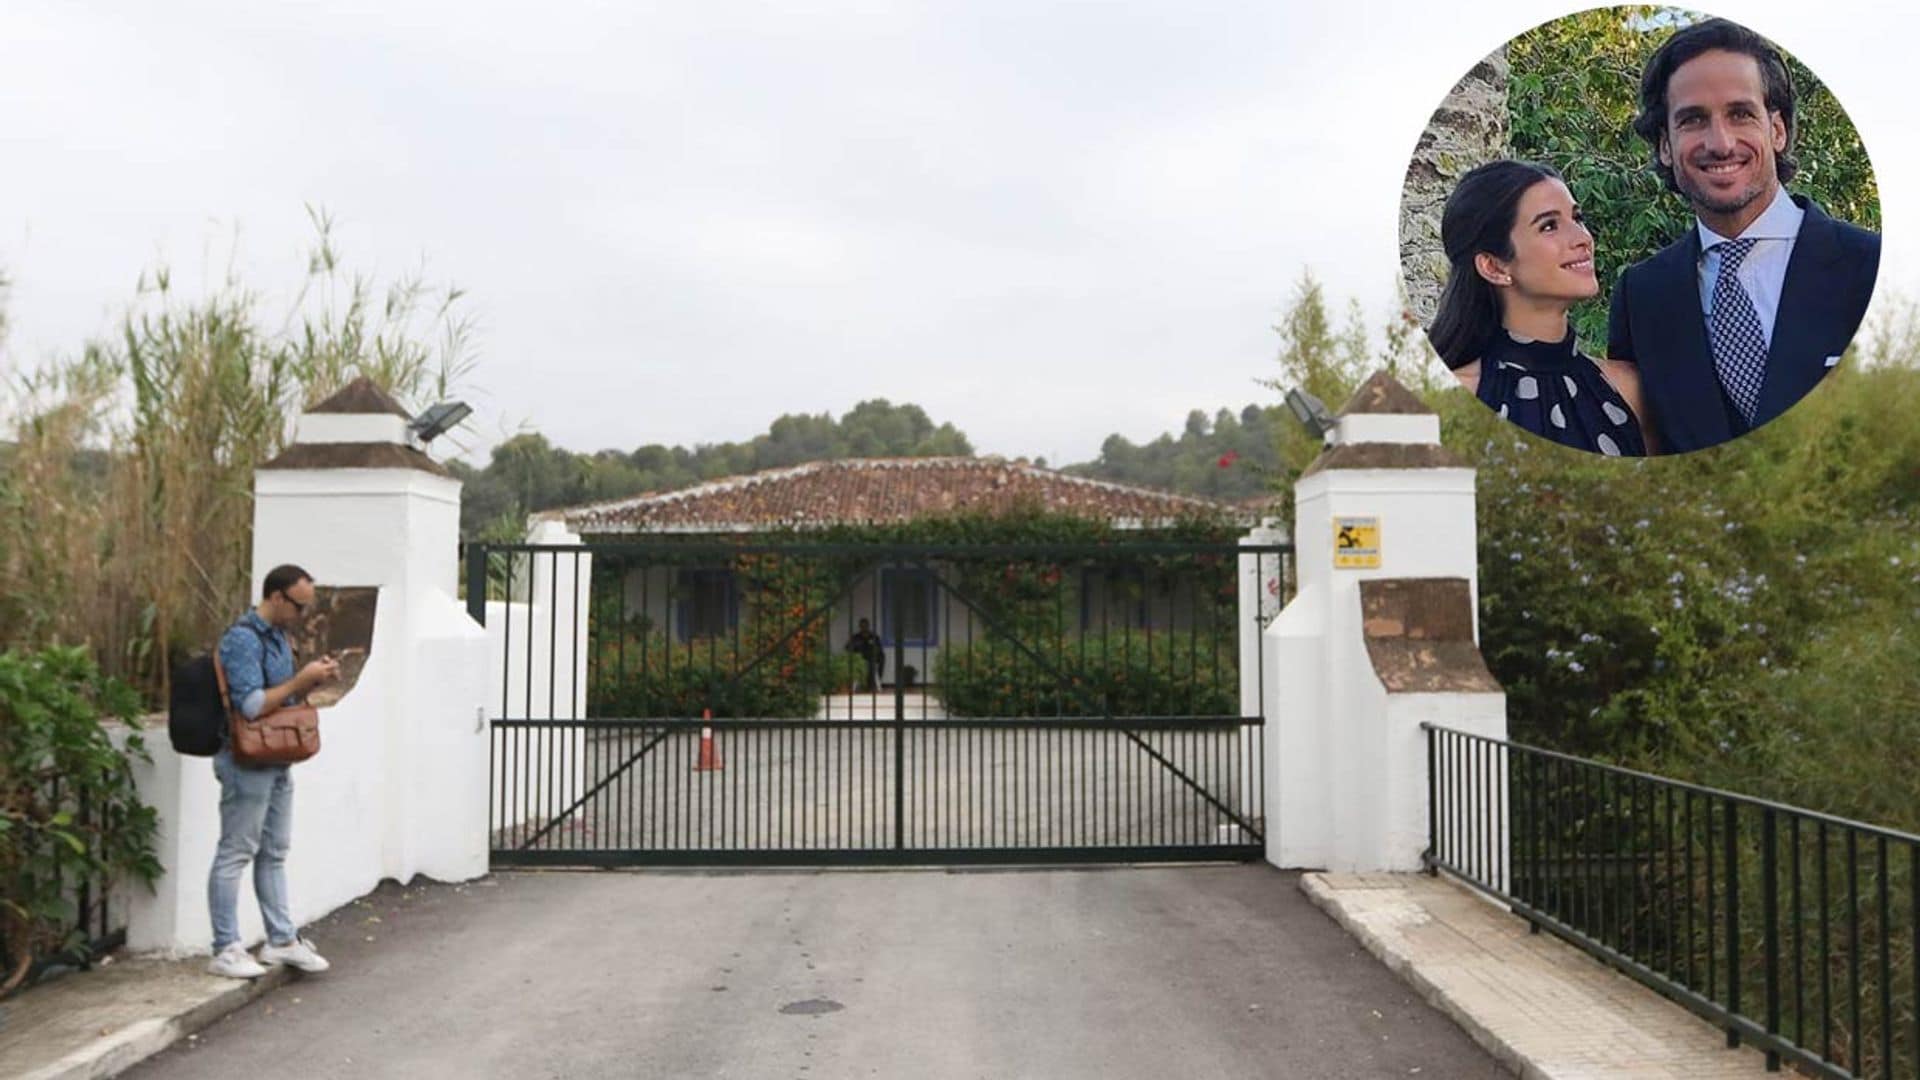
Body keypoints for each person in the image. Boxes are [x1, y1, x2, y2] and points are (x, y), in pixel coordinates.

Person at [1608, 17, 1880, 453]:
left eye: (1740, 114)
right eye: (1693, 119)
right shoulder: (1641, 297)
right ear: (1664, 144)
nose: (1720, 142)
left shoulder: (1874, 268)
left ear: (1777, 129)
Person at [1430, 159, 1653, 456]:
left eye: (1577, 218)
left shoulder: (1628, 390)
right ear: (1494, 266)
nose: (1583, 238)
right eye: (1549, 226)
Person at [205, 563, 340, 980]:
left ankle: (281, 940)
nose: (303, 615)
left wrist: (311, 680)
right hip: (247, 762)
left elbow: (281, 699)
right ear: (277, 597)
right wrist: (301, 679)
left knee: (274, 851)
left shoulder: (280, 637)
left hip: (277, 758)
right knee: (235, 850)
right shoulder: (244, 640)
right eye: (299, 606)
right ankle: (225, 946)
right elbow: (250, 706)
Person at [844, 617, 884, 692]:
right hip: (859, 659)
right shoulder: (856, 637)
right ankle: (862, 685)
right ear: (860, 627)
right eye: (862, 626)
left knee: (876, 662)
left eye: (865, 626)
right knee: (861, 665)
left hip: (871, 659)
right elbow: (847, 648)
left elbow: (879, 649)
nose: (864, 628)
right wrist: (854, 646)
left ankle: (871, 685)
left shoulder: (874, 637)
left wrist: (876, 654)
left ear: (868, 626)